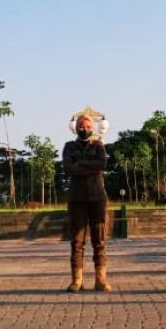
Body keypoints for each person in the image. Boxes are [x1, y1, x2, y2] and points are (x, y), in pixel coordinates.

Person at [61, 114, 110, 292]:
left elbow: (102, 164)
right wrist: (89, 166)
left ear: (93, 128)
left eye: (88, 126)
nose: (84, 128)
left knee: (99, 240)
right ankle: (77, 280)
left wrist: (80, 164)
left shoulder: (98, 145)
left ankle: (101, 279)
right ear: (76, 128)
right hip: (77, 199)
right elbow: (67, 167)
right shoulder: (69, 147)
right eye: (81, 126)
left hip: (97, 197)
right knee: (76, 241)